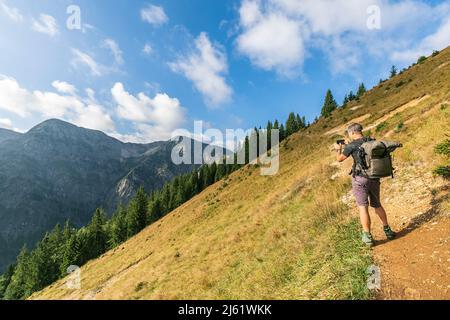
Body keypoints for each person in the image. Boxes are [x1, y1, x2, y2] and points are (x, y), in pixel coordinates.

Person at [335, 123, 396, 247]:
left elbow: (339, 159)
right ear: (360, 131)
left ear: (352, 133)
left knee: (363, 207)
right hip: (374, 177)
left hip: (360, 179)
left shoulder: (351, 145)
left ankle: (367, 237)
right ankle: (388, 230)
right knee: (377, 204)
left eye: (349, 133)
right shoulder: (371, 141)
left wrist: (339, 148)